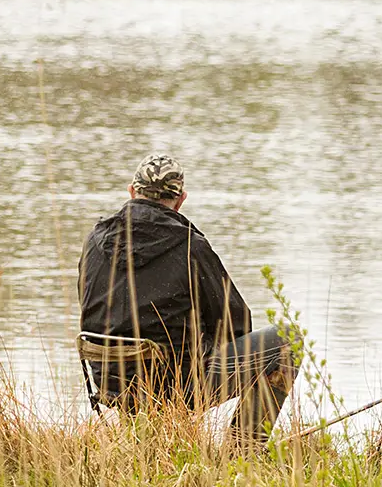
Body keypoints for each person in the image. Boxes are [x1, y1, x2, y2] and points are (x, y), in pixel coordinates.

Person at [77, 154, 299, 444]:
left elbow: (88, 306)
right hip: (176, 390)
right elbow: (236, 324)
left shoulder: (94, 240)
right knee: (288, 340)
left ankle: (149, 439)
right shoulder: (190, 245)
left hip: (110, 384)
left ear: (131, 192)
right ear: (181, 200)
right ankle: (243, 450)